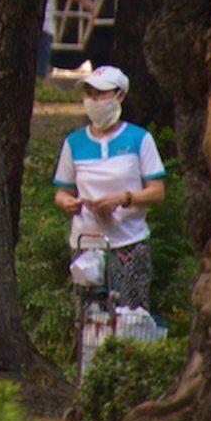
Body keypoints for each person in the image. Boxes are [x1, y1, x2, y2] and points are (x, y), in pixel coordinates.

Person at [52, 62, 166, 324]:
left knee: (130, 320)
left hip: (128, 243)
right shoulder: (75, 142)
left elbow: (157, 191)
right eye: (89, 93)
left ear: (119, 95)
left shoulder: (139, 139)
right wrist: (68, 202)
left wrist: (123, 198)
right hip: (86, 244)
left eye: (100, 93)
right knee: (89, 321)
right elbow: (61, 191)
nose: (94, 100)